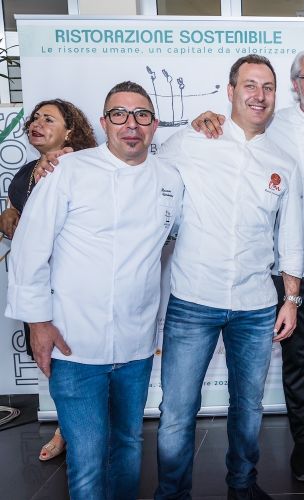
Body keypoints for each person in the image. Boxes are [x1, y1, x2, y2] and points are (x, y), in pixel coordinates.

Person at [5, 81, 183, 500]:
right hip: (73, 344)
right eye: (119, 114)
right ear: (104, 123)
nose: (131, 124)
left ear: (155, 124)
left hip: (136, 346)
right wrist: (38, 323)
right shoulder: (69, 170)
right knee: (86, 456)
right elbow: (31, 250)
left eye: (141, 115)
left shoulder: (171, 179)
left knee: (127, 444)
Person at [191, 47, 304, 483]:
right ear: (295, 84)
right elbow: (233, 133)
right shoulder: (272, 123)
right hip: (285, 267)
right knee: (296, 358)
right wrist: (205, 119)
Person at [154, 55, 304, 500]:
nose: (259, 95)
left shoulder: (283, 160)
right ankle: (172, 493)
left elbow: (291, 235)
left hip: (256, 305)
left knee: (249, 408)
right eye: (250, 85)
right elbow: (142, 172)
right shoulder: (190, 141)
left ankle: (242, 486)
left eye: (268, 87)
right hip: (192, 300)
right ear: (230, 90)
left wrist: (291, 298)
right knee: (178, 412)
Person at [0, 99, 96, 462]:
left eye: (49, 119)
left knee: (75, 357)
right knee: (46, 356)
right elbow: (20, 215)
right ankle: (68, 428)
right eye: (35, 118)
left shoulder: (82, 165)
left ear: (70, 131)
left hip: (74, 283)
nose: (37, 123)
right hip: (37, 283)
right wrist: (7, 215)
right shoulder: (25, 172)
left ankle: (71, 431)